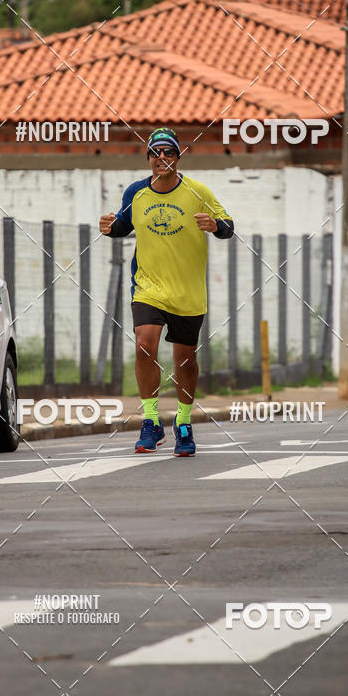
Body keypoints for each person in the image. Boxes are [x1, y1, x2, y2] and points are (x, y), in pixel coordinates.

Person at [99, 127, 234, 457]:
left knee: (185, 359)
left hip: (188, 292)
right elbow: (121, 226)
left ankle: (184, 423)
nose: (163, 159)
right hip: (148, 287)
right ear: (148, 159)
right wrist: (108, 228)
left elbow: (228, 226)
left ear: (178, 157)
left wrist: (216, 226)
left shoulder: (197, 190)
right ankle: (150, 420)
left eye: (169, 153)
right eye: (156, 153)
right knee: (145, 344)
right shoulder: (136, 193)